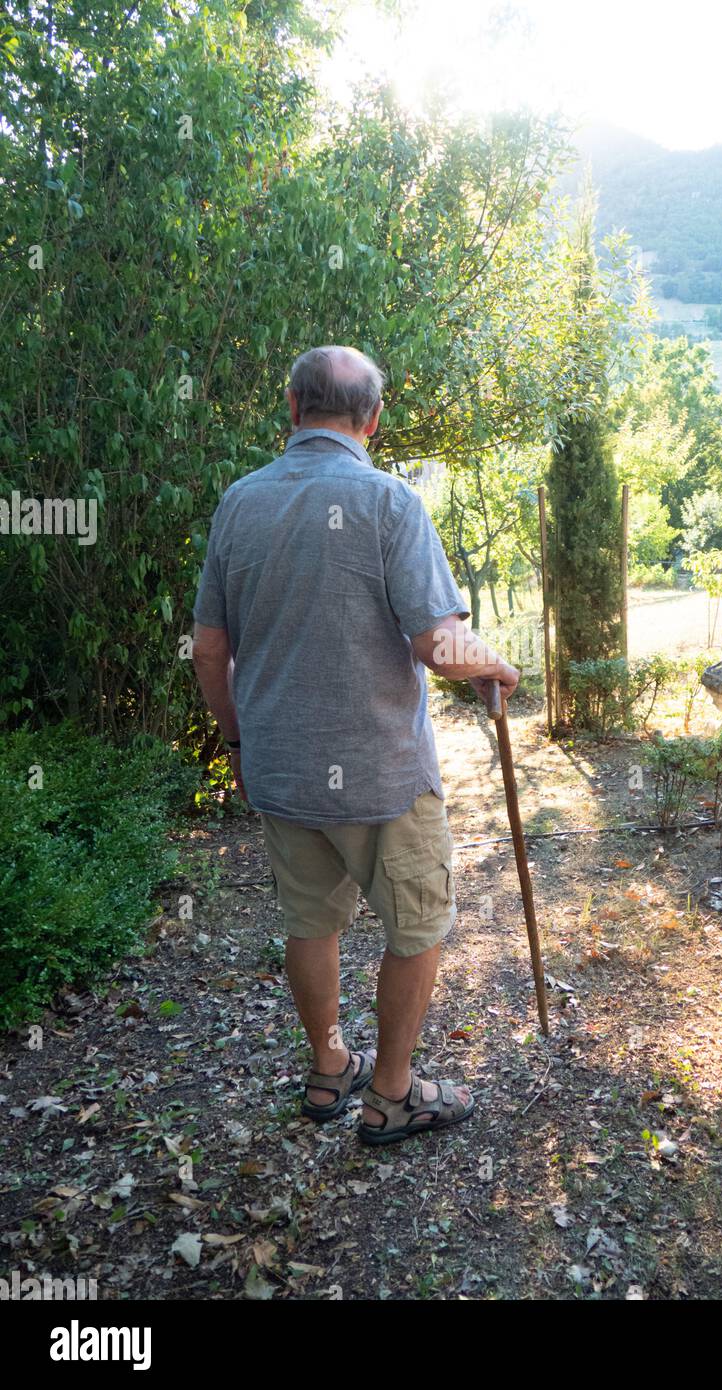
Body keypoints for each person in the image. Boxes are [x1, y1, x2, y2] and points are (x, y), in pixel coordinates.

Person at [192, 345, 519, 1145]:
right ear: (371, 419)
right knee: (417, 928)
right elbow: (437, 644)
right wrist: (495, 666)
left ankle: (329, 1069)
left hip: (279, 765)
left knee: (311, 923)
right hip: (380, 775)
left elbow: (208, 649)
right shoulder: (388, 503)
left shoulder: (239, 502)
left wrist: (235, 744)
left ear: (294, 411)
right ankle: (392, 1096)